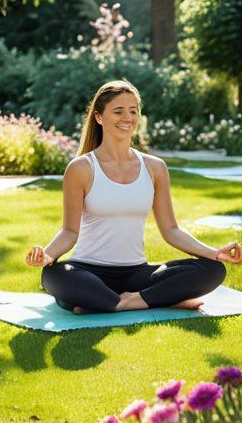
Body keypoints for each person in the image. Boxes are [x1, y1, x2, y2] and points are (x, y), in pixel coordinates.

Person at [25, 80, 241, 313]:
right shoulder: (81, 168)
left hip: (137, 275)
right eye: (118, 111)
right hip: (88, 271)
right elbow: (69, 231)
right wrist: (47, 255)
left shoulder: (155, 167)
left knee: (213, 269)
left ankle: (115, 303)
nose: (127, 118)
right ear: (99, 117)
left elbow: (171, 230)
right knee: (55, 275)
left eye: (133, 111)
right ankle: (160, 299)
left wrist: (213, 253)